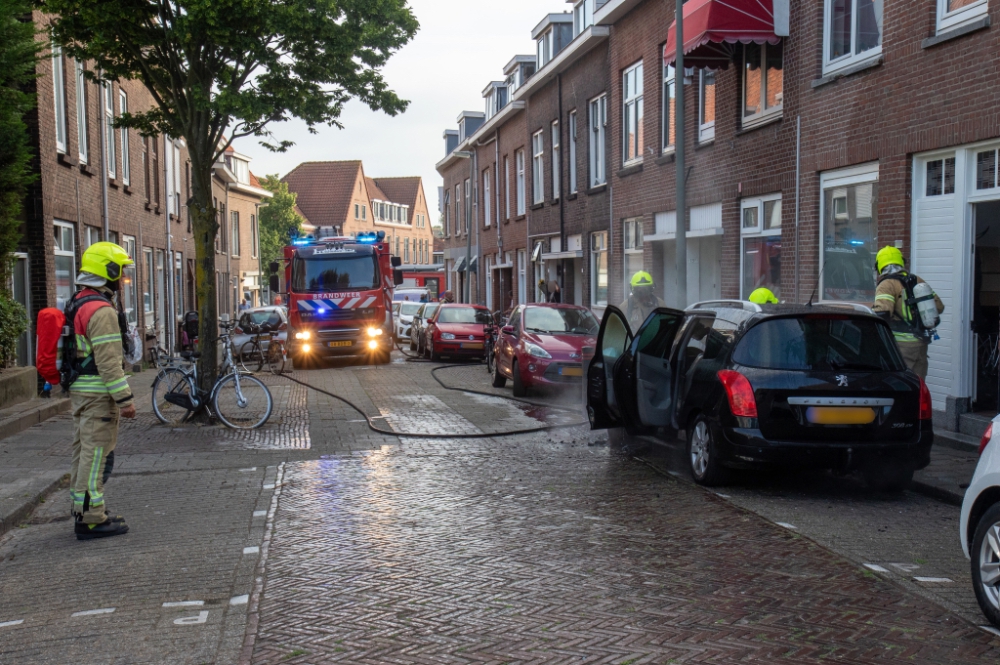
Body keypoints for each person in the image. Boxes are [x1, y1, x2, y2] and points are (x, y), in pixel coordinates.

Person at [66, 242, 137, 540]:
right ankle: (91, 520)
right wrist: (126, 400)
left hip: (81, 392)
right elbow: (109, 364)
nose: (122, 279)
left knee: (83, 454)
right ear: (107, 270)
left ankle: (83, 511)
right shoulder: (101, 310)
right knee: (96, 456)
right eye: (120, 272)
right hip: (98, 396)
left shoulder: (78, 301)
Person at [871, 246, 944, 379]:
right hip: (921, 343)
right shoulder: (917, 280)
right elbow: (939, 306)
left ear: (879, 265)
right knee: (918, 386)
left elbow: (882, 313)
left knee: (902, 384)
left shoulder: (886, 284)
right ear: (901, 262)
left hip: (901, 345)